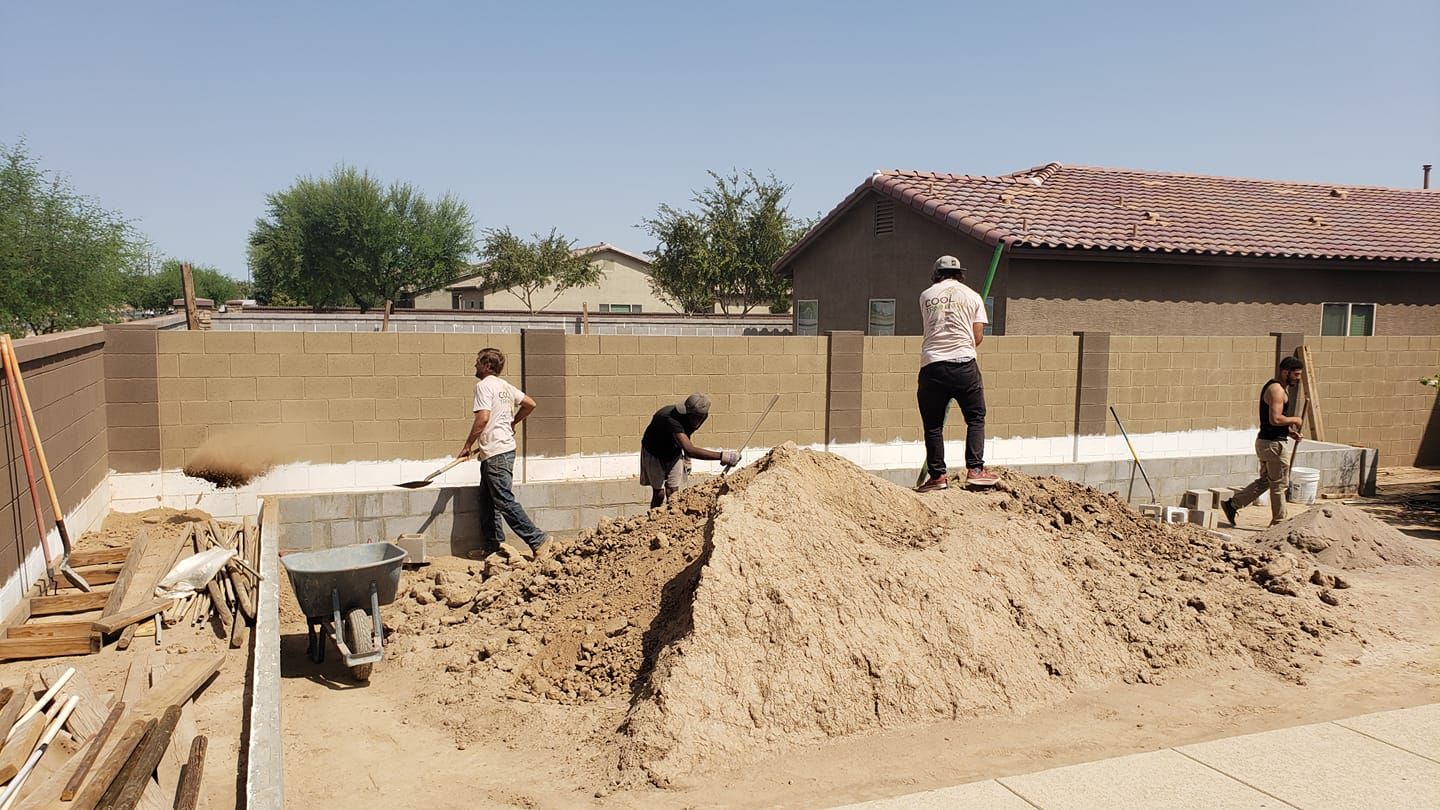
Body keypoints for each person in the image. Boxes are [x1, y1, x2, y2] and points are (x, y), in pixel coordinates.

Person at [915, 255, 999, 492]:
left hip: (932, 365)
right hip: (964, 365)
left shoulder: (926, 296)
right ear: (960, 274)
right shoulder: (973, 296)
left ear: (936, 273)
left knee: (933, 425)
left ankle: (938, 477)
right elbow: (977, 336)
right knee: (975, 418)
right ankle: (975, 470)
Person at [457, 347, 548, 556]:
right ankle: (493, 549)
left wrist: (467, 446)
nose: (475, 365)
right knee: (487, 503)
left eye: (478, 362)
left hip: (497, 451)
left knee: (504, 501)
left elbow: (483, 418)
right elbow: (529, 404)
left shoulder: (483, 386)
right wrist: (512, 422)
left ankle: (538, 540)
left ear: (487, 365)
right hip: (496, 451)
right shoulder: (504, 386)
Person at [1222, 356, 1305, 527]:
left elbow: (1272, 423)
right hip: (1273, 445)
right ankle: (1279, 524)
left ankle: (1233, 504)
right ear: (1285, 372)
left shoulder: (1279, 388)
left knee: (1267, 481)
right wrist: (1295, 420)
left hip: (1267, 442)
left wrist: (1290, 432)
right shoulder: (1277, 390)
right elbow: (1275, 419)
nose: (1298, 378)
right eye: (1296, 374)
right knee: (1280, 484)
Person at [641, 393, 739, 508]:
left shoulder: (701, 416)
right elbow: (689, 450)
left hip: (674, 451)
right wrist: (723, 456)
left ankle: (672, 519)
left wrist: (687, 460)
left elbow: (687, 433)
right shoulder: (670, 419)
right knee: (659, 494)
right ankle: (654, 521)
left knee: (673, 493)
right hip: (654, 452)